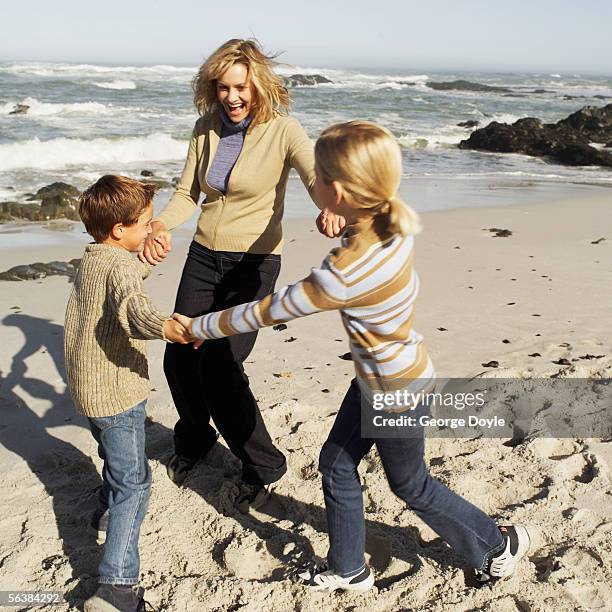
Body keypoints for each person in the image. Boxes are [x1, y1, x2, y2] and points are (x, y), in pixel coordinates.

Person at [174, 121, 531, 592]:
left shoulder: (344, 274)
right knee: (336, 464)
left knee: (411, 486)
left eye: (318, 179)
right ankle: (348, 568)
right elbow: (362, 220)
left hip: (393, 389)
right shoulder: (391, 220)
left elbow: (270, 309)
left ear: (337, 191)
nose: (313, 184)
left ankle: (495, 545)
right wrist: (342, 219)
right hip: (383, 374)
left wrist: (197, 327)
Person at [140, 38, 343, 510]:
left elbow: (316, 177)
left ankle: (263, 465)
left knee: (220, 366)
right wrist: (158, 225)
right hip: (204, 257)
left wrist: (331, 207)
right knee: (180, 356)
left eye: (241, 88)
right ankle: (193, 441)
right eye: (223, 87)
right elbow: (189, 193)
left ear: (259, 87)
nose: (232, 97)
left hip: (253, 264)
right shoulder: (205, 128)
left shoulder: (285, 130)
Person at [64, 175, 190, 612]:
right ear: (120, 230)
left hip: (88, 390)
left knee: (112, 461)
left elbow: (117, 286)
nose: (152, 230)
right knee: (134, 485)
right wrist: (167, 328)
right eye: (146, 224)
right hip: (117, 394)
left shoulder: (94, 258)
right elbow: (132, 308)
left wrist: (146, 260)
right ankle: (117, 587)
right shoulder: (118, 267)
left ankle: (101, 513)